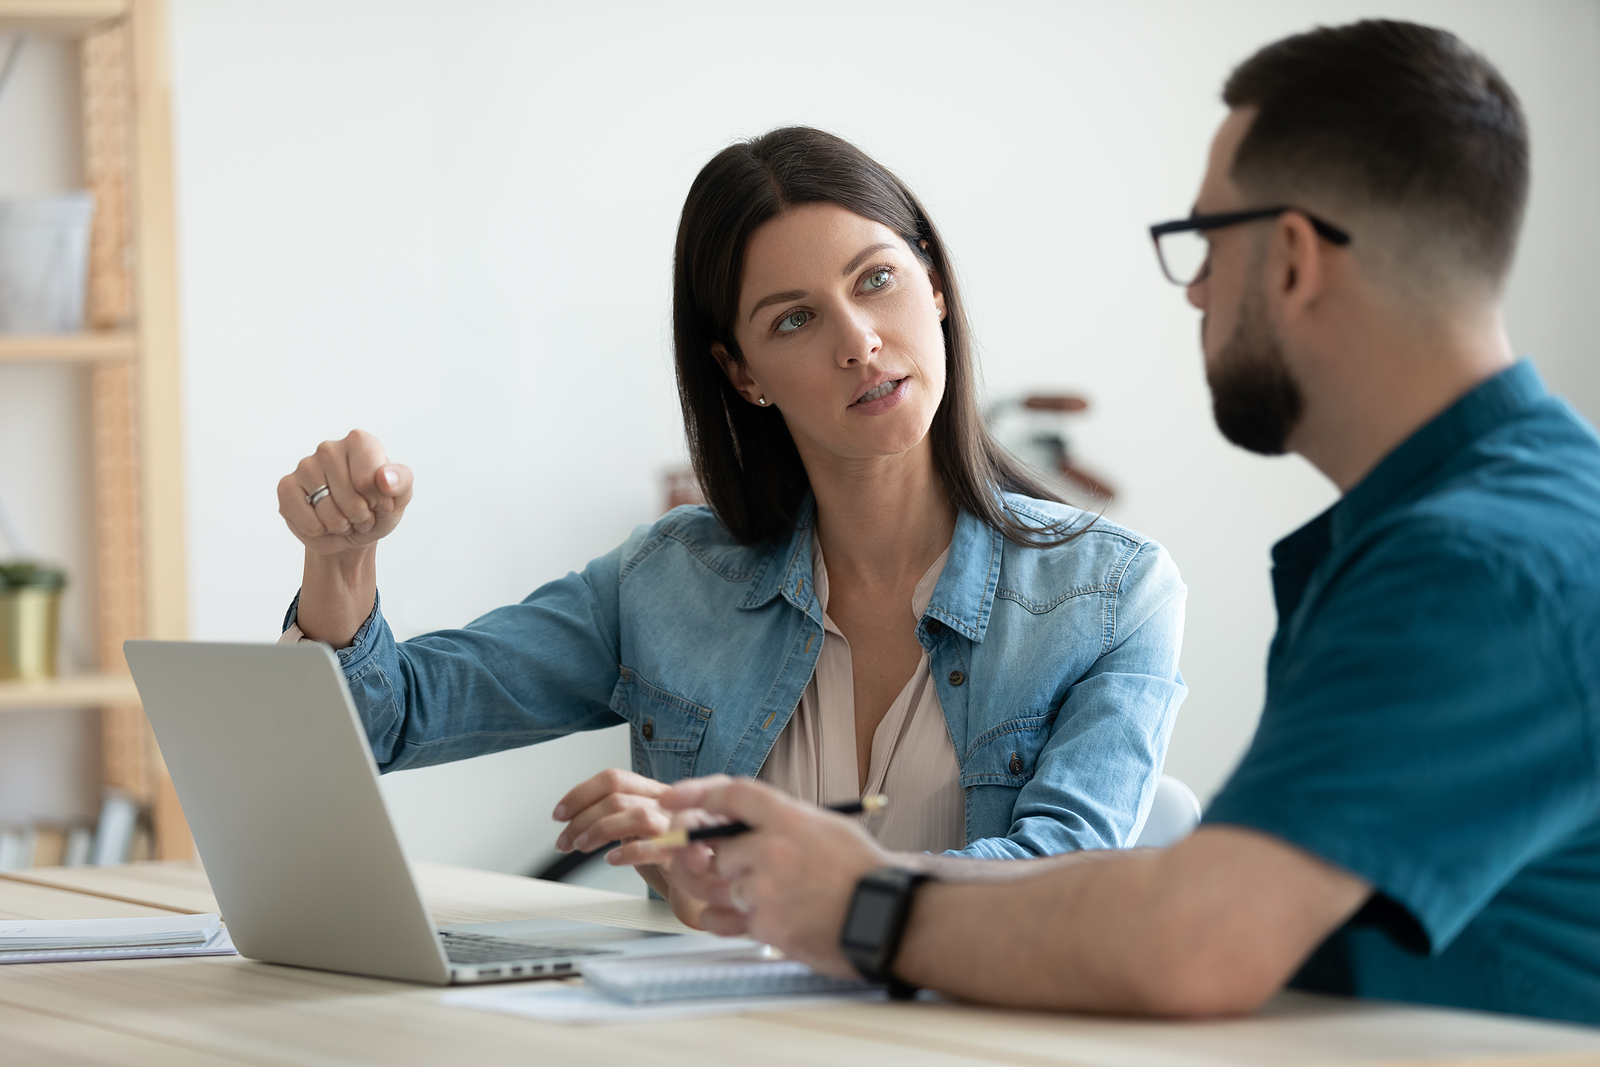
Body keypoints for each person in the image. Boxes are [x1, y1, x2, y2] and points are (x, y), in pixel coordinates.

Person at [641, 21, 1600, 1025]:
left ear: (1290, 260)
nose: (1191, 290)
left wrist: (854, 898)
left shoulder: (1478, 563)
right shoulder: (1471, 526)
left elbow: (1196, 937)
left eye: (1204, 243)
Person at [274, 127, 1188, 928]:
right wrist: (341, 559)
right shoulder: (666, 582)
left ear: (935, 284)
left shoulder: (1112, 594)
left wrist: (768, 870)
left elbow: (1061, 880)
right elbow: (380, 723)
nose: (858, 340)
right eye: (794, 319)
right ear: (743, 372)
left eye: (876, 279)